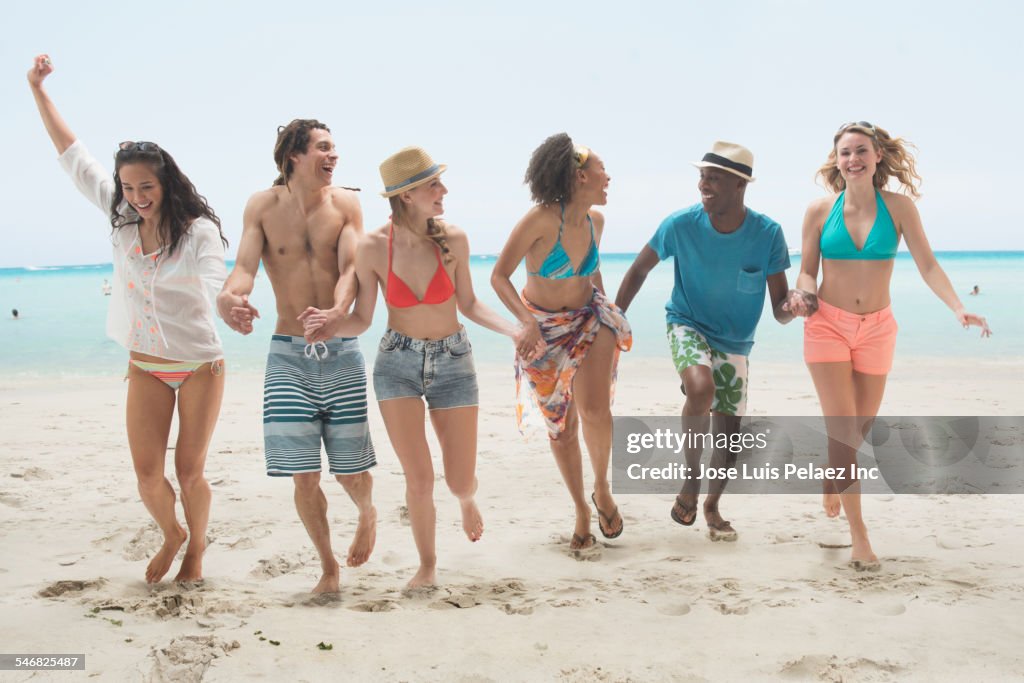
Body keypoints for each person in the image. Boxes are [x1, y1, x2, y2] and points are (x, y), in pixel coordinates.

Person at [28, 55, 228, 583]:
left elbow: (213, 279)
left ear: (167, 183)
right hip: (144, 364)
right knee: (146, 477)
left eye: (147, 188)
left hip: (200, 364)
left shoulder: (197, 230)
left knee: (189, 472)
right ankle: (172, 532)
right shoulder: (120, 220)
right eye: (129, 188)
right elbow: (73, 156)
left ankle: (197, 551)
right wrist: (37, 89)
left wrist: (231, 301)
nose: (138, 198)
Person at [326, 146, 541, 586]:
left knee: (460, 480)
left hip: (454, 362)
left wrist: (516, 329)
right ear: (406, 195)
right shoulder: (372, 248)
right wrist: (326, 327)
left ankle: (466, 501)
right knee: (419, 478)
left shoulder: (455, 239)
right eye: (433, 185)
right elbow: (363, 319)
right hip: (396, 365)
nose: (444, 191)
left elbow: (469, 304)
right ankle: (427, 567)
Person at [787, 121, 991, 570]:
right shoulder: (819, 211)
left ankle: (832, 472)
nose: (852, 159)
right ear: (835, 160)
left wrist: (958, 307)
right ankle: (860, 536)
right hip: (827, 326)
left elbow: (929, 264)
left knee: (856, 434)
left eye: (861, 151)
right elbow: (807, 269)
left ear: (878, 156)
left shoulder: (899, 209)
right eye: (844, 153)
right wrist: (802, 293)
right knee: (843, 431)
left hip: (878, 329)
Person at [217, 119, 376, 594]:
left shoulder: (346, 203)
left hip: (342, 350)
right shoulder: (262, 207)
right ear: (293, 155)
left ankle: (368, 513)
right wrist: (229, 299)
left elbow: (351, 267)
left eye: (334, 148)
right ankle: (328, 568)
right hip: (287, 354)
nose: (334, 156)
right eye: (324, 148)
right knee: (303, 475)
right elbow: (244, 268)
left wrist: (337, 310)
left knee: (350, 472)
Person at [616, 141, 794, 541]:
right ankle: (691, 481)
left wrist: (796, 306)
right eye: (702, 176)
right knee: (700, 388)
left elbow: (780, 310)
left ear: (739, 185)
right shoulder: (680, 225)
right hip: (686, 322)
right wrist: (617, 315)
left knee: (728, 435)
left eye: (713, 177)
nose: (703, 184)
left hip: (736, 341)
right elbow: (639, 269)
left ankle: (712, 505)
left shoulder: (767, 234)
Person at [492, 133, 632, 551]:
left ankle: (602, 489)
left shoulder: (596, 222)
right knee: (561, 428)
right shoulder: (538, 221)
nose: (608, 178)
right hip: (542, 330)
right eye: (602, 172)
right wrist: (523, 324)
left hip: (589, 320)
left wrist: (607, 309)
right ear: (579, 177)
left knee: (594, 409)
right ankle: (581, 510)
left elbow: (592, 276)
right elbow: (499, 276)